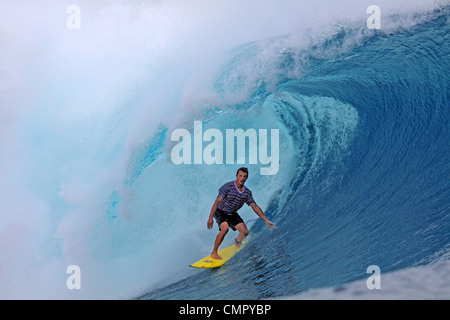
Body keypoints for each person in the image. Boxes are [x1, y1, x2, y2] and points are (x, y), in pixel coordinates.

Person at [207, 167, 276, 260]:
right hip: (220, 211)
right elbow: (217, 201)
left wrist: (266, 221)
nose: (242, 178)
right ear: (236, 176)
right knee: (225, 228)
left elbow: (254, 206)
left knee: (245, 232)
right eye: (240, 176)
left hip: (232, 214)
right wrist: (210, 217)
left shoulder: (247, 193)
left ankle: (237, 243)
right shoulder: (228, 187)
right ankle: (214, 252)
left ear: (246, 178)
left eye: (244, 176)